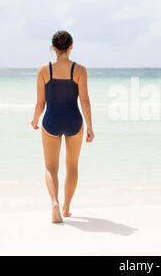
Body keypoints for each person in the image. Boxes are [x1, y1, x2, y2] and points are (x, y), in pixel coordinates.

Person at [30, 30, 94, 223]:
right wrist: (90, 126)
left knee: (51, 168)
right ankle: (66, 208)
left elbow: (40, 102)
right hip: (74, 121)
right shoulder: (80, 70)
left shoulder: (43, 70)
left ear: (54, 48)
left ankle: (54, 203)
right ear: (71, 47)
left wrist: (35, 119)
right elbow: (84, 100)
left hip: (51, 121)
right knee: (72, 166)